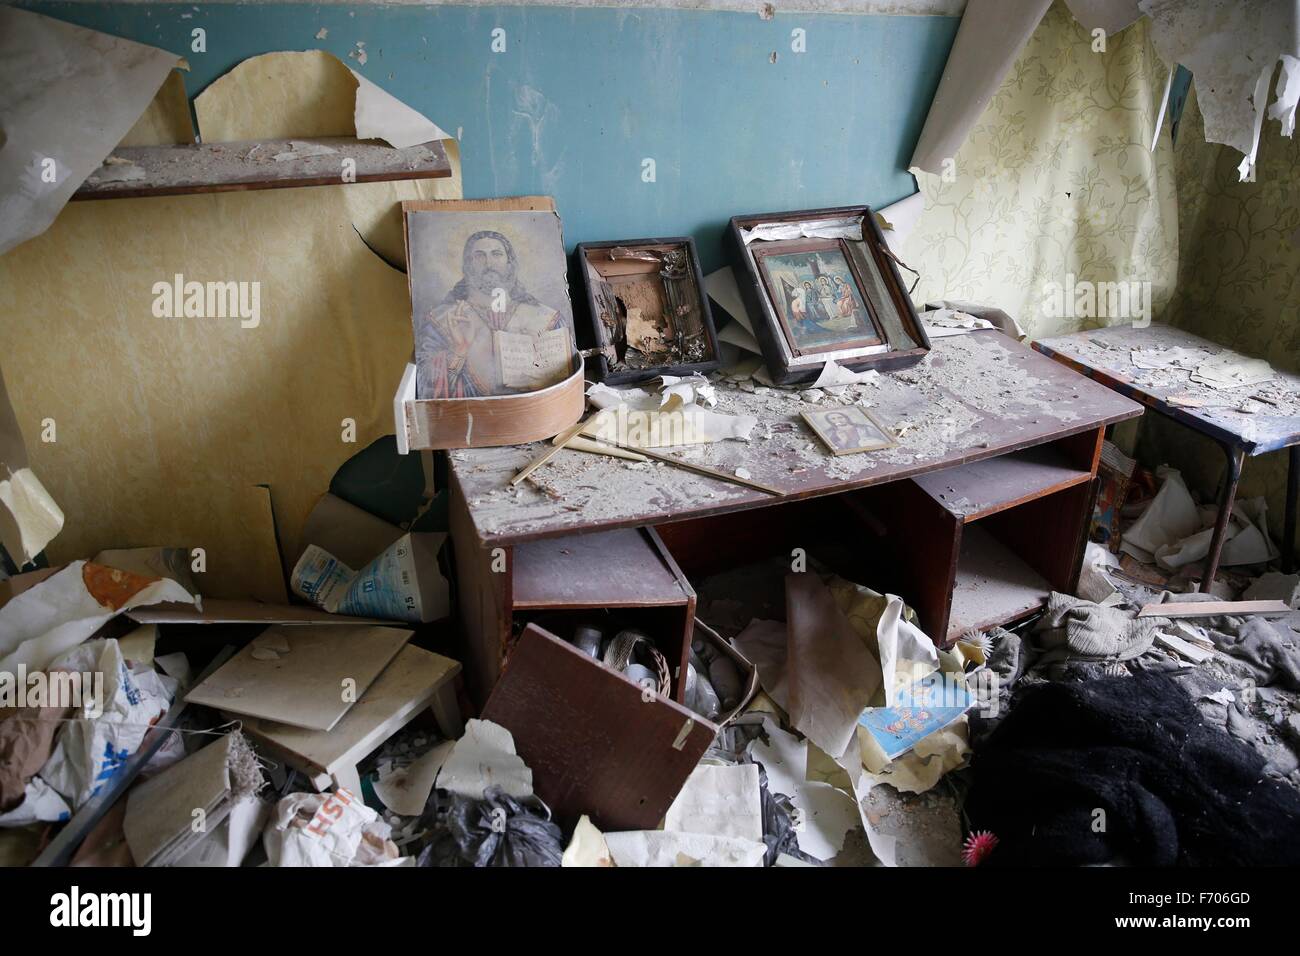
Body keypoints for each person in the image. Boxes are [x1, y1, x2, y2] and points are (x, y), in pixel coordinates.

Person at [415, 230, 567, 397]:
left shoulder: (546, 318)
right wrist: (459, 350)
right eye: (479, 256)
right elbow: (424, 386)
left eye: (497, 254)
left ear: (510, 263)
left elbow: (560, 383)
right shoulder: (441, 320)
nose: (489, 263)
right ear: (468, 265)